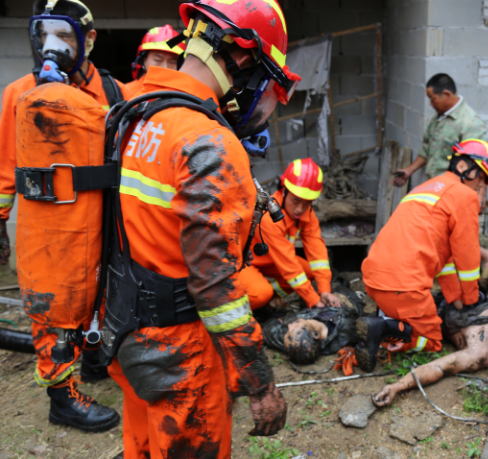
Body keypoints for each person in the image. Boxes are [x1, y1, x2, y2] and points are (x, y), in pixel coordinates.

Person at [104, 0, 301, 456]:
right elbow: (215, 287)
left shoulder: (131, 114)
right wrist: (259, 383)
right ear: (243, 57)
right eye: (265, 81)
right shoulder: (209, 141)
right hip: (182, 358)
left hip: (125, 336)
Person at [0, 0, 131, 433]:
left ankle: (93, 357)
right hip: (50, 224)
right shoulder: (20, 94)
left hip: (103, 218)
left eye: (65, 35)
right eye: (44, 34)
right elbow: (5, 167)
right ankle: (61, 396)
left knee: (102, 291)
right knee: (51, 306)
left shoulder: (114, 93)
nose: (51, 45)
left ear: (89, 40)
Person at [356, 139, 488, 372]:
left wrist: (455, 295)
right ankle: (384, 331)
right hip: (404, 287)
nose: (480, 186)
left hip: (375, 281)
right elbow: (467, 258)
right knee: (433, 342)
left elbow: (442, 261)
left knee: (413, 316)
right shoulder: (464, 196)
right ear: (466, 168)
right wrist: (470, 300)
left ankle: (384, 325)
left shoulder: (427, 187)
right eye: (482, 178)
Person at [392, 73, 488, 294]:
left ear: (446, 94)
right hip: (438, 188)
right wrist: (409, 171)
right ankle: (461, 280)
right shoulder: (438, 119)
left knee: (459, 240)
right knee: (443, 238)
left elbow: (480, 164)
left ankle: (477, 280)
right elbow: (427, 152)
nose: (431, 103)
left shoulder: (469, 122)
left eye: (432, 98)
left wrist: (479, 196)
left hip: (458, 191)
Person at [372, 300, 488, 407]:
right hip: (460, 289)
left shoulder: (482, 355)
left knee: (388, 325)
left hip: (432, 310)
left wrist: (397, 386)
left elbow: (439, 367)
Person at [238, 158, 342, 312]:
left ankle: (272, 298)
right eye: (296, 200)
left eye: (307, 202)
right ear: (283, 190)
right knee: (260, 294)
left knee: (309, 272)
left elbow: (317, 252)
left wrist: (324, 289)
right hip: (244, 262)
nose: (300, 209)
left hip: (271, 261)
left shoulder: (307, 214)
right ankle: (244, 309)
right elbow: (288, 265)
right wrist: (313, 299)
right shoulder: (268, 217)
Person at [261, 285, 363, 364]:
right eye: (292, 329)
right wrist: (341, 303)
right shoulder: (346, 330)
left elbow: (268, 329)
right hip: (345, 300)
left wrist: (282, 320)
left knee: (310, 286)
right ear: (315, 334)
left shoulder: (295, 342)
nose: (289, 326)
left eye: (287, 332)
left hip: (313, 306)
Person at [126, 25, 186, 94]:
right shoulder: (125, 93)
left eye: (172, 62)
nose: (165, 67)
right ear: (144, 59)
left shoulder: (187, 95)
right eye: (158, 60)